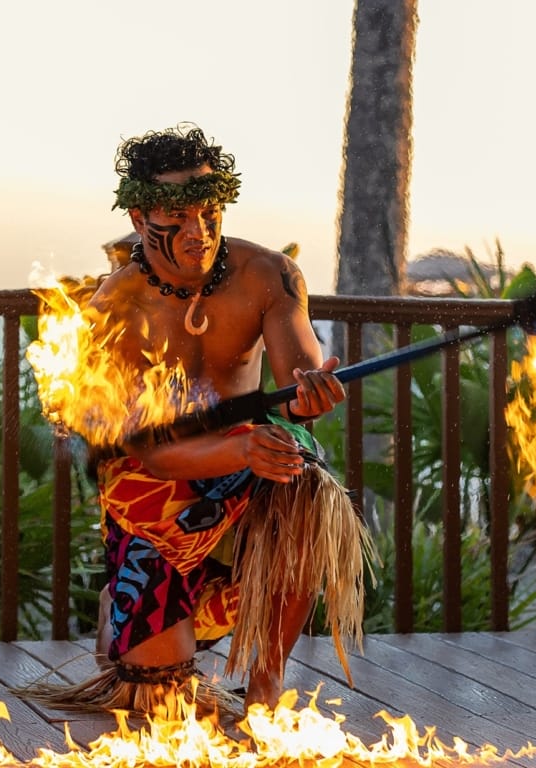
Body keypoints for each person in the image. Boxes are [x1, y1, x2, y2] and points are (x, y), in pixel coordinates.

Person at [20, 123, 372, 717]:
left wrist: (307, 391)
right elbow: (152, 451)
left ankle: (265, 682)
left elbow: (295, 377)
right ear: (138, 218)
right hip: (153, 482)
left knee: (309, 486)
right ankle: (122, 613)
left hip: (247, 454)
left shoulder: (270, 275)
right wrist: (241, 451)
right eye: (176, 217)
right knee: (155, 693)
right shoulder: (115, 308)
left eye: (208, 211)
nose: (197, 232)